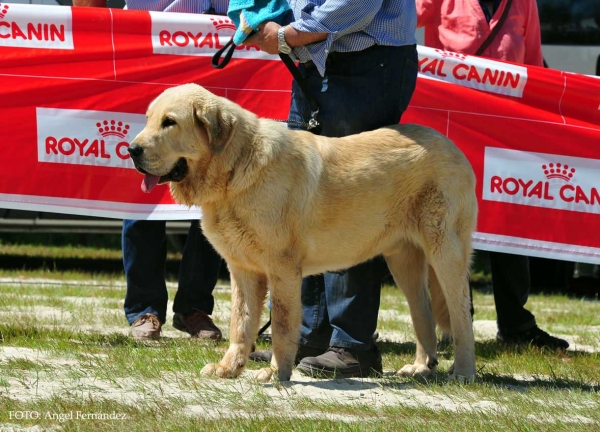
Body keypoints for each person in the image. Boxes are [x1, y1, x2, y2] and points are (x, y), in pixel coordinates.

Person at [246, 0, 419, 377]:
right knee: (302, 205)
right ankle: (306, 336)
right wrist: (255, 15)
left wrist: (290, 35)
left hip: (367, 62)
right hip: (316, 58)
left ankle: (352, 345)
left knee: (346, 202)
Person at [416, 0, 569, 350]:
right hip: (453, 133)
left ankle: (516, 324)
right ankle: (455, 323)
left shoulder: (524, 3)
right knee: (450, 226)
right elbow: (398, 19)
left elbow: (532, 67)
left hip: (504, 135)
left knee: (509, 224)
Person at [74, 0, 228, 341]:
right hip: (149, 52)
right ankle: (144, 309)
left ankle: (195, 308)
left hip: (223, 55)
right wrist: (92, 32)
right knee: (141, 200)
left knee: (212, 194)